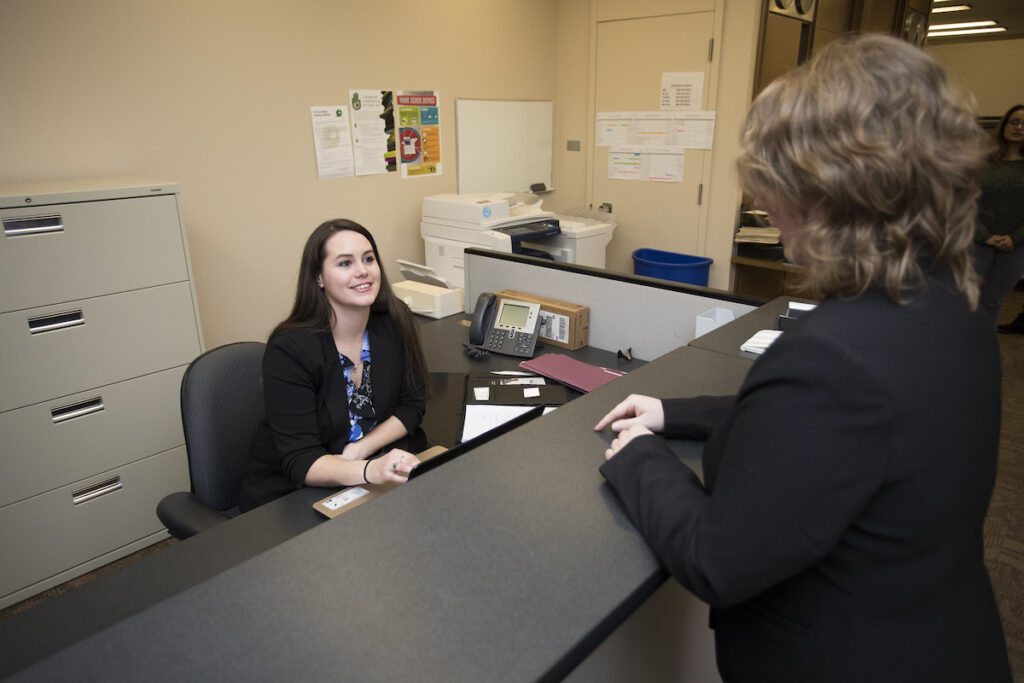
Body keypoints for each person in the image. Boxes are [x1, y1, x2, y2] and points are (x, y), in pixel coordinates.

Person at [595, 35, 1012, 683]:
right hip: (940, 635)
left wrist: (637, 456)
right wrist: (671, 411)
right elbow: (832, 434)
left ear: (833, 190)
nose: (762, 202)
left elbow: (716, 557)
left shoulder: (835, 356)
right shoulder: (952, 302)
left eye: (774, 183)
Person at [238, 219, 429, 512]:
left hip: (365, 479)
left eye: (368, 259)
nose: (362, 270)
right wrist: (369, 470)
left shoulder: (394, 319)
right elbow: (300, 460)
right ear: (319, 278)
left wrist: (360, 450)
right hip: (294, 496)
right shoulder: (290, 348)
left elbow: (412, 404)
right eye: (344, 263)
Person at [975, 103, 1024, 328]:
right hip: (978, 241)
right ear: (1004, 124)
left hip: (1015, 246)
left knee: (992, 302)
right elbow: (966, 203)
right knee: (967, 300)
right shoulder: (982, 161)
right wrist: (985, 235)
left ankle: (982, 356)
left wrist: (1015, 237)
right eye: (1014, 121)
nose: (1019, 126)